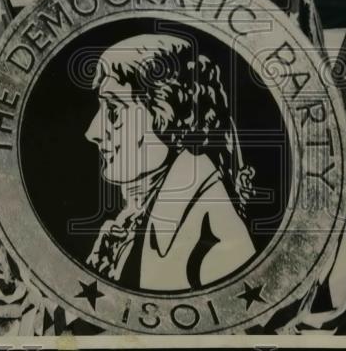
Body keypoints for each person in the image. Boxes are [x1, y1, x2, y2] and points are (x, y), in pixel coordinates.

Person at [84, 34, 256, 291]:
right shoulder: (133, 220)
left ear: (167, 114)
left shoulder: (213, 236)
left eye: (114, 111)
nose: (93, 132)